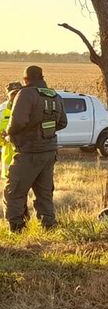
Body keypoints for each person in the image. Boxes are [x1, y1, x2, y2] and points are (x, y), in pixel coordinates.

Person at [3, 66, 67, 232]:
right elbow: (62, 123)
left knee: (14, 191)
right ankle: (48, 225)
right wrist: (44, 131)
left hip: (28, 151)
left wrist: (8, 132)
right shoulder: (54, 95)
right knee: (44, 192)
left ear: (25, 79)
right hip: (49, 152)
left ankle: (17, 229)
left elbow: (17, 123)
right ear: (42, 77)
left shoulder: (25, 94)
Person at [1, 81, 22, 180]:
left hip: (24, 152)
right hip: (8, 153)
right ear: (8, 95)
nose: (16, 96)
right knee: (9, 185)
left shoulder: (29, 108)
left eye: (18, 93)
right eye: (13, 93)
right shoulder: (2, 110)